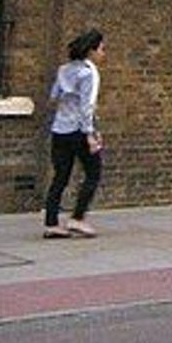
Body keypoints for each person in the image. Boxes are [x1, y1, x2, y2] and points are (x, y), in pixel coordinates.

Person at [44, 29, 105, 239]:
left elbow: (54, 97)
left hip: (59, 129)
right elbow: (87, 106)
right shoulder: (90, 72)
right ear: (91, 51)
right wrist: (91, 134)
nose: (103, 54)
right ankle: (77, 218)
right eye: (101, 49)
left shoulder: (64, 69)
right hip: (79, 131)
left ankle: (51, 223)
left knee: (60, 176)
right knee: (94, 172)